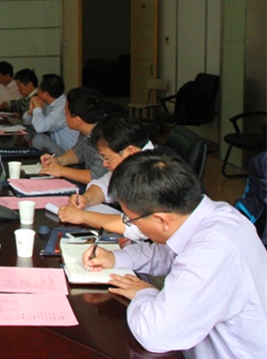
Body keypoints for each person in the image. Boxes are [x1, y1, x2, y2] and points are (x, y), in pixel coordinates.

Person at [83, 151, 267, 358]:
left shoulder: (213, 250)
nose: (133, 226)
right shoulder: (212, 215)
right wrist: (115, 258)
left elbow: (155, 334)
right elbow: (169, 254)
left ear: (162, 220)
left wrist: (145, 293)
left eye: (131, 220)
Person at [58, 113, 156, 238]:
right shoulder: (131, 161)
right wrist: (86, 199)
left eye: (107, 158)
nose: (104, 164)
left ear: (130, 151)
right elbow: (104, 185)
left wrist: (82, 216)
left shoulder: (152, 172)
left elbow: (137, 227)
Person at [39, 87, 106, 184]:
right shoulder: (87, 127)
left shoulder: (105, 136)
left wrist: (61, 170)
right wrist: (58, 160)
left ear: (77, 120)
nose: (64, 115)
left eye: (65, 112)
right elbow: (78, 151)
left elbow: (95, 176)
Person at [23, 73, 78, 155]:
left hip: (71, 154)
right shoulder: (48, 103)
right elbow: (27, 122)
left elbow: (40, 127)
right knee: (29, 133)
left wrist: (37, 108)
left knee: (39, 138)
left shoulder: (63, 107)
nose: (37, 91)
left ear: (46, 94)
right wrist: (30, 111)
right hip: (58, 147)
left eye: (39, 89)